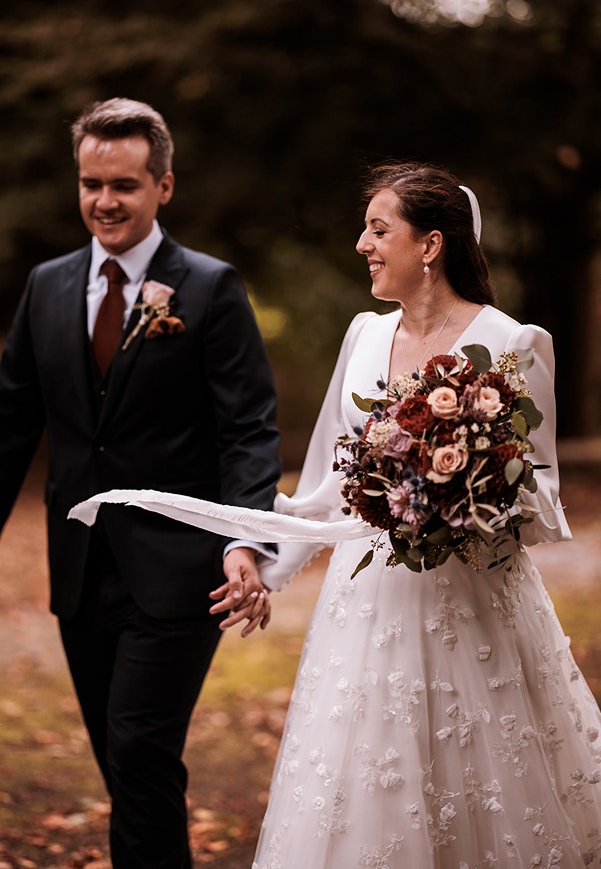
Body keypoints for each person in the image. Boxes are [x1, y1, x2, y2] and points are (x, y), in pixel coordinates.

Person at [71, 162, 601, 867]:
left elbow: (540, 506)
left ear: (431, 245)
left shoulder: (512, 343)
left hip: (473, 608)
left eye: (379, 229)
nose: (362, 244)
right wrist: (257, 558)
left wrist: (461, 491)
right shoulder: (362, 337)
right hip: (366, 608)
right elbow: (327, 488)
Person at [0, 97, 280, 868]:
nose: (104, 201)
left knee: (140, 751)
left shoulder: (210, 288)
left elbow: (247, 428)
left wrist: (245, 541)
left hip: (180, 570)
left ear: (164, 185)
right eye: (90, 183)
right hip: (80, 571)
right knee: (122, 764)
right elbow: (10, 424)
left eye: (123, 184)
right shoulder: (47, 286)